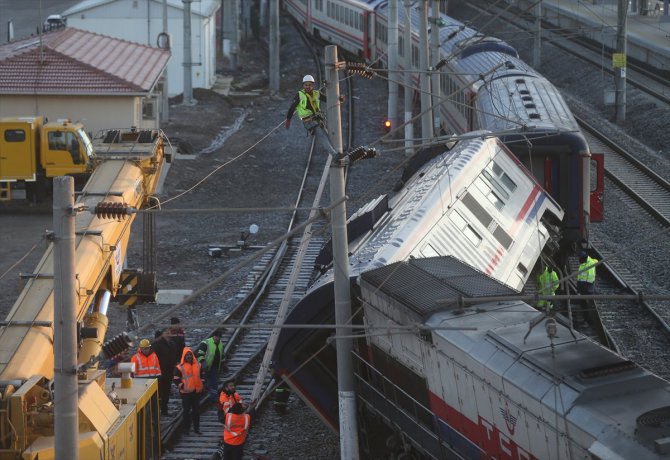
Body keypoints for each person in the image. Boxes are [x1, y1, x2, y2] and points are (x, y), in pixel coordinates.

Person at [174, 347, 204, 434]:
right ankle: (186, 429)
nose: (189, 356)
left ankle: (196, 429)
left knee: (196, 411)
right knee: (186, 411)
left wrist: (202, 384)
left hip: (196, 392)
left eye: (190, 354)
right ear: (184, 356)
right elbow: (176, 379)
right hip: (186, 393)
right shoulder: (180, 367)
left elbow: (202, 376)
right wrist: (182, 386)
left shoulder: (198, 365)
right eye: (187, 355)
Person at [152, 329, 177, 416]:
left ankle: (164, 410)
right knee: (159, 392)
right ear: (162, 334)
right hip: (160, 372)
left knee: (166, 391)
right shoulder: (157, 344)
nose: (168, 334)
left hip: (169, 371)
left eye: (169, 332)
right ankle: (156, 411)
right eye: (166, 333)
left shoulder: (172, 344)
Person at [197, 330, 226, 401]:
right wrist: (203, 363)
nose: (217, 338)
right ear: (213, 336)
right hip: (204, 366)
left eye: (218, 337)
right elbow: (200, 354)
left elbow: (222, 355)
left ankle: (213, 397)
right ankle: (201, 395)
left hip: (215, 366)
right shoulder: (205, 343)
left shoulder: (221, 344)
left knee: (214, 382)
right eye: (216, 336)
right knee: (204, 381)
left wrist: (223, 365)